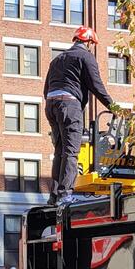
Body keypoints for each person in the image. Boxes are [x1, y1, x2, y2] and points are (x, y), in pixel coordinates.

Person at [42, 27, 114, 205]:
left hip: (51, 105)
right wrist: (114, 107)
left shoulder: (57, 59)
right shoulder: (85, 57)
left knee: (59, 151)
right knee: (71, 152)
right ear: (89, 42)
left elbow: (46, 90)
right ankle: (65, 194)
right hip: (69, 105)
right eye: (92, 44)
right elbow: (96, 85)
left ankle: (54, 196)